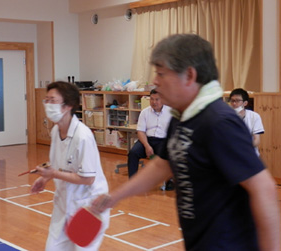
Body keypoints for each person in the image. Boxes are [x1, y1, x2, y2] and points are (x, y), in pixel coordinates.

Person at [91, 34, 280, 251]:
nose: (155, 81)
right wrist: (115, 196)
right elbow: (163, 164)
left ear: (189, 75)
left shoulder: (219, 122)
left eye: (162, 73)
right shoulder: (181, 118)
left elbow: (263, 188)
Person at [31, 81, 109, 250]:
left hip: (88, 207)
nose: (47, 105)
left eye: (52, 100)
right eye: (46, 100)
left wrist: (53, 174)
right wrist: (45, 178)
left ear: (68, 106)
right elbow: (58, 164)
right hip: (63, 204)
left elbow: (88, 179)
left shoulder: (83, 137)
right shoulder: (55, 131)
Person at [128, 89, 174, 190]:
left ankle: (170, 180)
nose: (154, 102)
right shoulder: (145, 112)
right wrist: (146, 145)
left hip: (163, 140)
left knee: (171, 154)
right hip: (146, 140)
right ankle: (133, 182)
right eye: (152, 99)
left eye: (157, 99)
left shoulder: (170, 112)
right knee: (133, 152)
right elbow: (140, 131)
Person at [229, 88, 264, 155]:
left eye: (237, 101)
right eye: (232, 101)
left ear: (245, 103)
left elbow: (256, 140)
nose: (234, 103)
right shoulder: (226, 116)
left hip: (249, 153)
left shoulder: (254, 116)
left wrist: (242, 146)